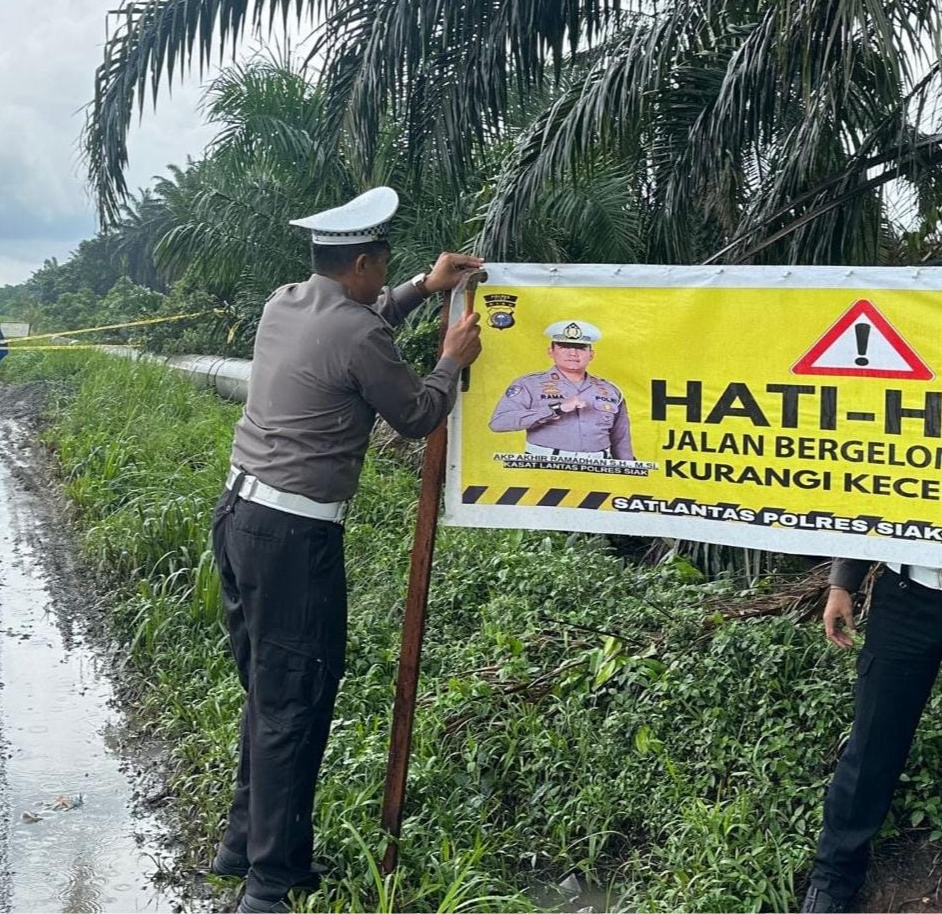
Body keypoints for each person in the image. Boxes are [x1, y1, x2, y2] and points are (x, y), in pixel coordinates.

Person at [209, 186, 483, 914]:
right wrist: (450, 360)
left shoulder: (285, 302)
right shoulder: (360, 337)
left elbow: (360, 323)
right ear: (361, 263)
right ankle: (269, 885)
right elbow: (417, 411)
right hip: (294, 540)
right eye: (383, 267)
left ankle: (242, 844)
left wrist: (425, 286)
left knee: (268, 695)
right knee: (294, 702)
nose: (381, 279)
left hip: (240, 517)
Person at [803, 555, 942, 912]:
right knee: (872, 748)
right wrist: (842, 583)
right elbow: (877, 503)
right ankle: (831, 883)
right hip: (905, 598)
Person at [487, 319, 635, 459]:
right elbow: (499, 422)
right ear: (550, 351)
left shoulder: (610, 390)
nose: (573, 353)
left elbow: (621, 438)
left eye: (581, 348)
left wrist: (628, 469)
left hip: (599, 466)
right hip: (544, 464)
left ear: (591, 354)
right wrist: (557, 408)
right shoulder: (529, 384)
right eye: (564, 346)